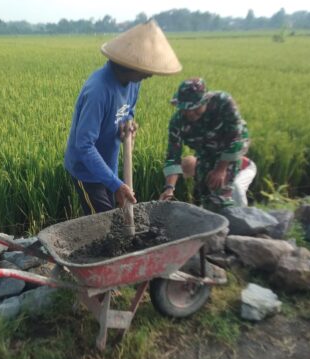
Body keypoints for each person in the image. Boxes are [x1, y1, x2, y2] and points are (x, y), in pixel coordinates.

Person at [64, 19, 182, 214]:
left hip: (108, 163)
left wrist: (128, 125)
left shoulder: (134, 81)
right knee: (102, 221)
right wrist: (115, 184)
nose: (149, 75)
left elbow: (128, 112)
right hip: (86, 169)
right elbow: (84, 145)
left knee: (113, 215)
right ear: (130, 65)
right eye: (145, 70)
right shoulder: (98, 90)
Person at [159, 78, 252, 210]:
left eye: (195, 108)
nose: (190, 113)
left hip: (230, 149)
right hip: (205, 152)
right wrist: (169, 188)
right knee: (205, 192)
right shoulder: (178, 122)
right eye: (186, 109)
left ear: (205, 101)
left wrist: (220, 169)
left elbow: (235, 137)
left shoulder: (223, 103)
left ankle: (236, 219)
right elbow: (173, 156)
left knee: (220, 195)